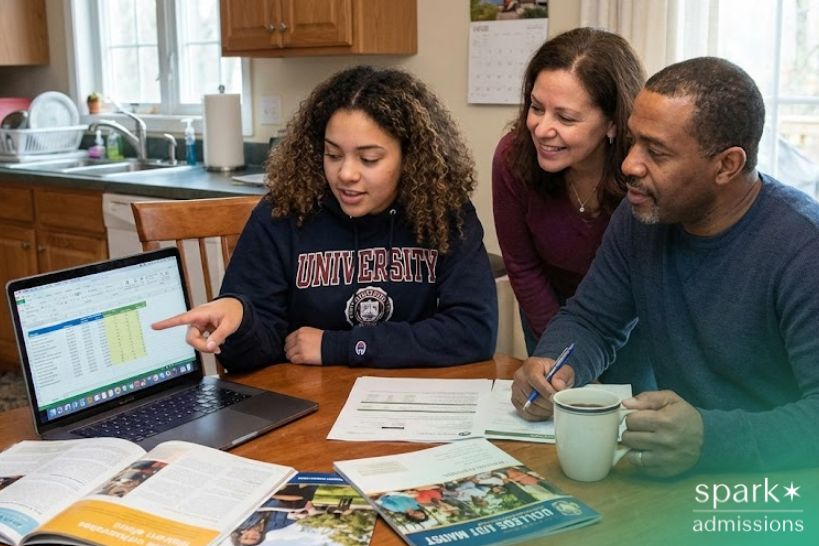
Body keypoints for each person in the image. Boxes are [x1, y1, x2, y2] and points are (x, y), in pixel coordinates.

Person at [511, 56, 819, 477]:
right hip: (678, 474)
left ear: (726, 165)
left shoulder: (804, 250)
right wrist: (554, 363)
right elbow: (594, 319)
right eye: (633, 141)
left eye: (656, 152)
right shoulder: (643, 216)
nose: (629, 165)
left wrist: (709, 438)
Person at [153, 65, 498, 371]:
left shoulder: (442, 212)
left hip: (411, 406)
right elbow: (251, 357)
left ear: (410, 157)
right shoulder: (284, 213)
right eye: (333, 154)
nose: (345, 174)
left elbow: (473, 331)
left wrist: (339, 346)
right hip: (307, 412)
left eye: (369, 159)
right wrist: (240, 319)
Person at [491, 28, 653, 390]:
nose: (542, 129)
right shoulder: (512, 157)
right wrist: (564, 357)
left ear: (613, 122)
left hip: (632, 318)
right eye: (536, 108)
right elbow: (522, 265)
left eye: (565, 118)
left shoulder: (643, 174)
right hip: (549, 311)